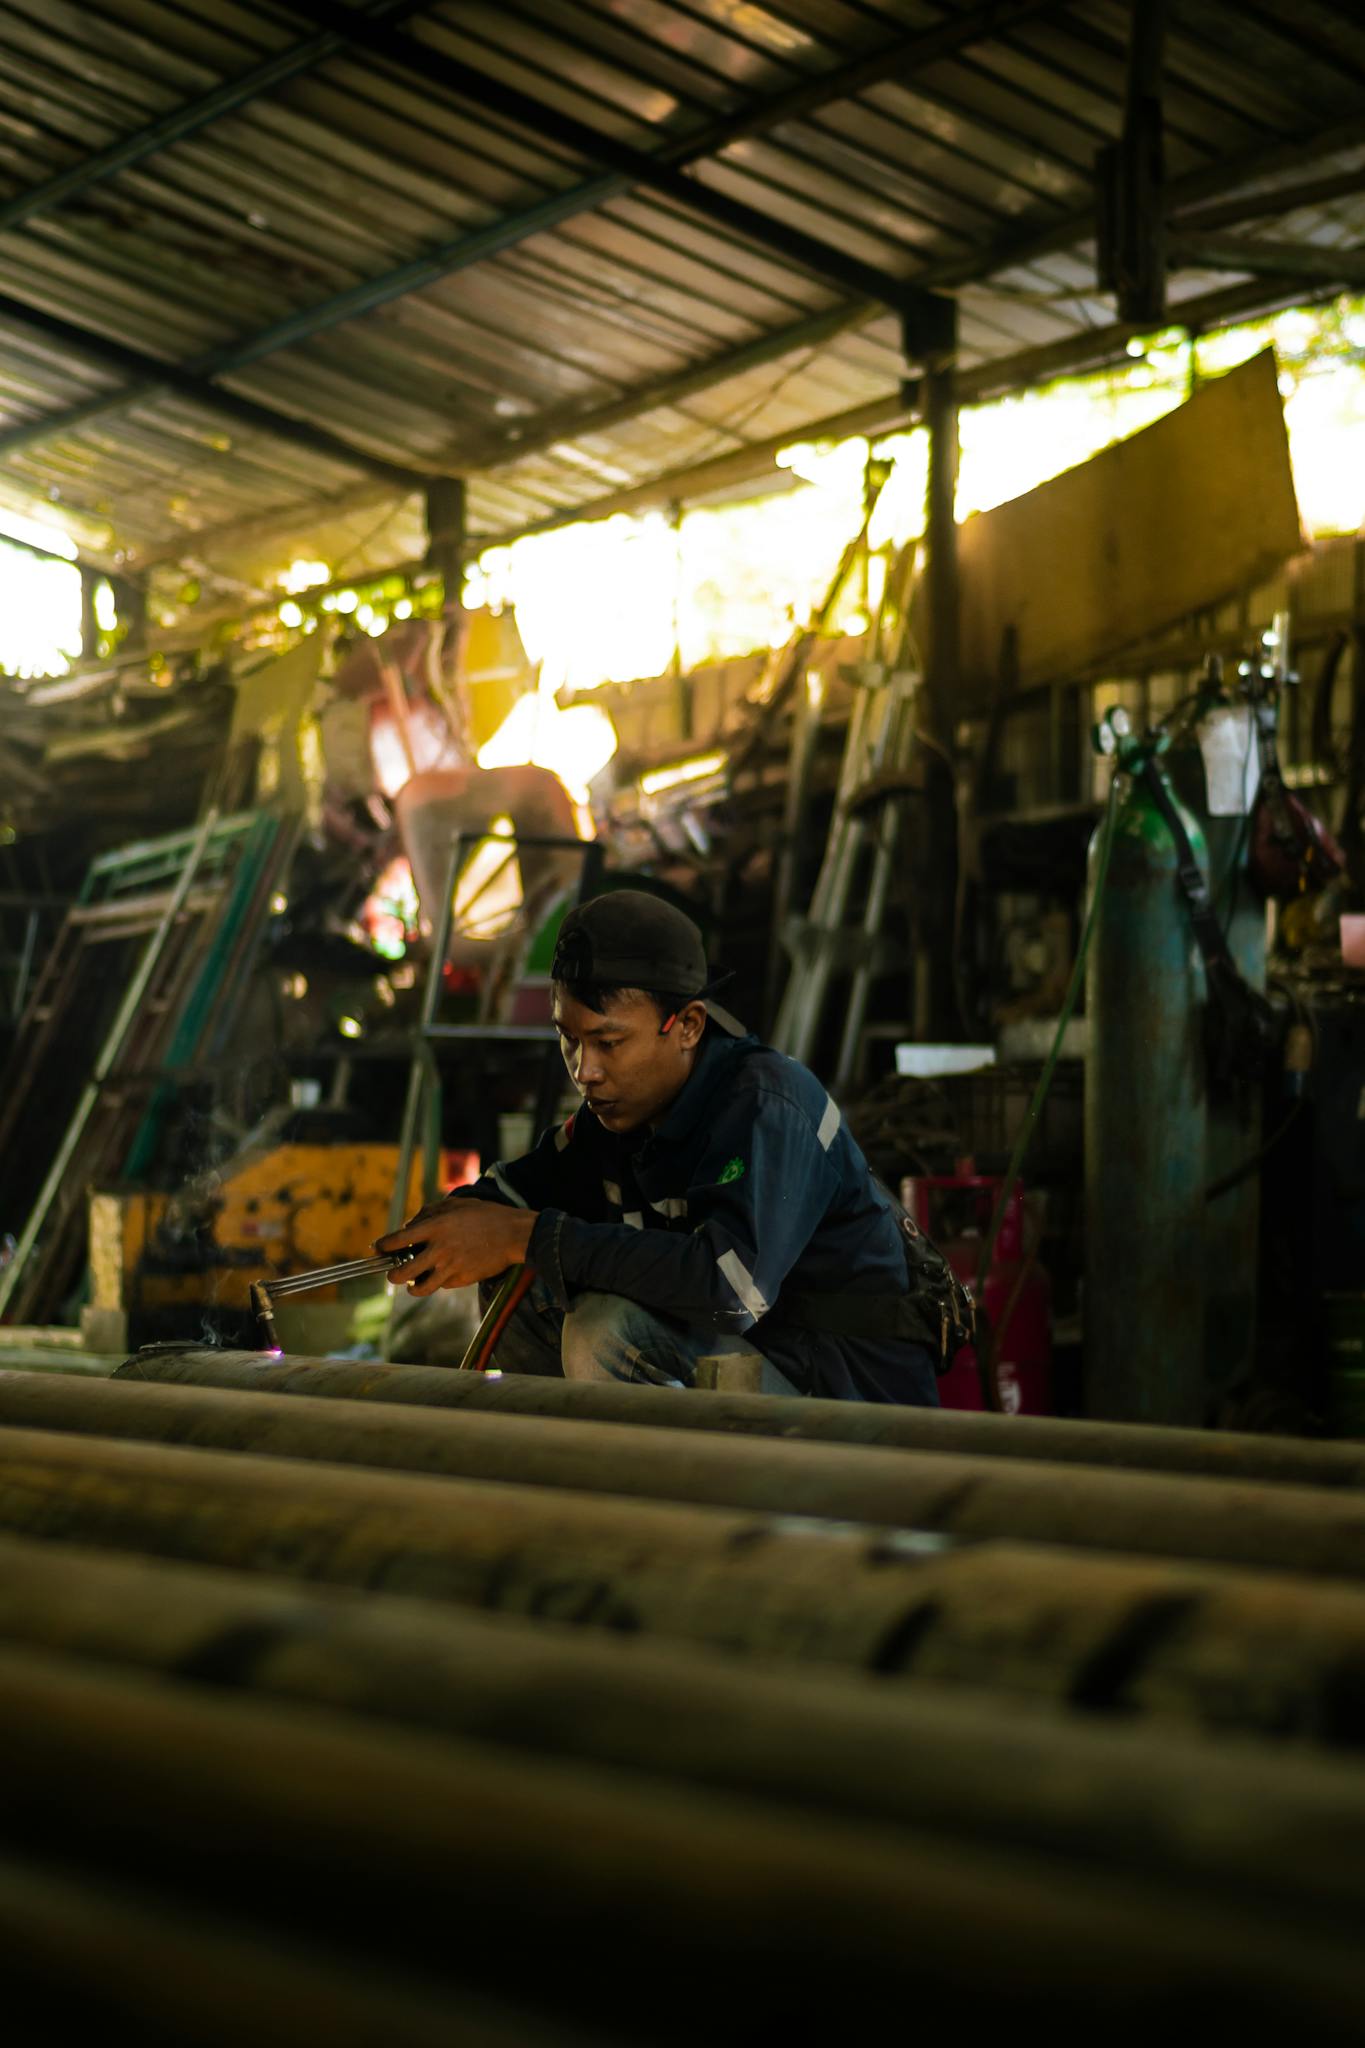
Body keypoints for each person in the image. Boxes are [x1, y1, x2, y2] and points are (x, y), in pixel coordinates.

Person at [377, 891, 963, 1403]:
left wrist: (520, 1235)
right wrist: (454, 1224)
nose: (585, 1071)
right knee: (527, 1297)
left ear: (687, 1025)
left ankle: (642, 1520)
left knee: (606, 1328)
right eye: (568, 1039)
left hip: (855, 1418)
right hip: (766, 1381)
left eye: (609, 1042)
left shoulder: (767, 1106)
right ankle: (560, 1493)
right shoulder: (622, 1118)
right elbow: (521, 1187)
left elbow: (730, 1290)